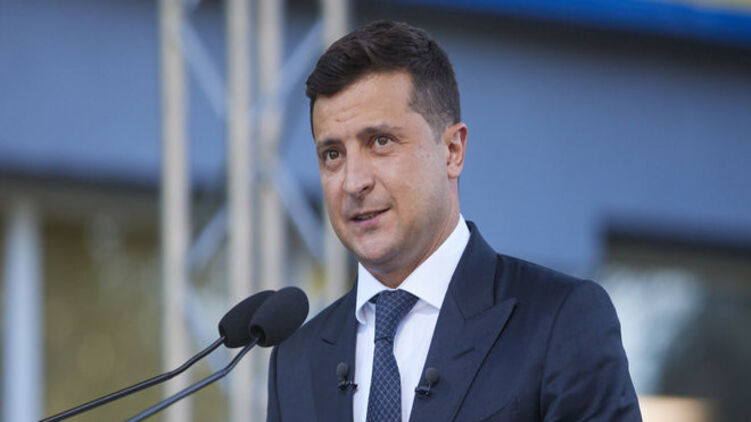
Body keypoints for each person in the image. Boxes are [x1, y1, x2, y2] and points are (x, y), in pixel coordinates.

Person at [267, 20, 641, 421]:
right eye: (333, 154)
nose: (354, 182)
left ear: (452, 151)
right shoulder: (295, 362)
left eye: (380, 142)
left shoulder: (560, 321)